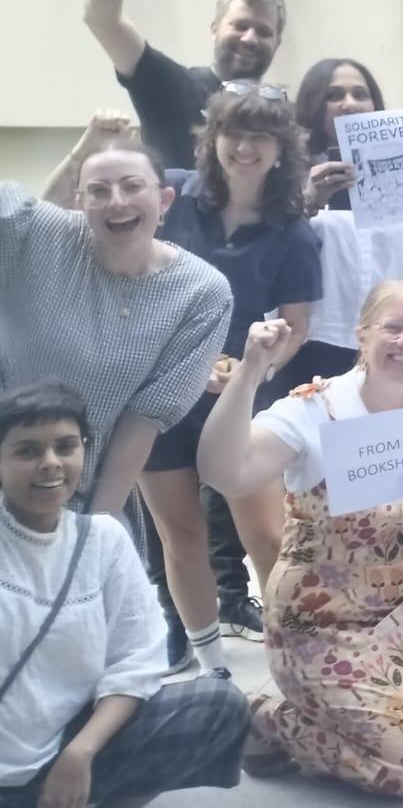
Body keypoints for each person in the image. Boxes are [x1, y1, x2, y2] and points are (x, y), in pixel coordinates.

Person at [199, 284, 403, 797]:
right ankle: (272, 722)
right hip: (326, 615)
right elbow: (226, 471)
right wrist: (248, 371)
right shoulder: (315, 409)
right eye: (393, 327)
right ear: (362, 334)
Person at [0, 382, 248, 808]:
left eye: (65, 446)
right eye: (26, 451)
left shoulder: (102, 538)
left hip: (73, 741)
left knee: (219, 705)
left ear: (84, 450)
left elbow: (137, 659)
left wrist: (82, 751)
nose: (50, 464)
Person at [145, 82, 321, 679]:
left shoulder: (292, 232)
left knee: (269, 537)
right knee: (181, 533)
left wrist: (253, 368)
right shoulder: (172, 198)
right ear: (212, 139)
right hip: (160, 393)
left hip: (241, 396)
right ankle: (209, 665)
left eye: (260, 137)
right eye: (233, 133)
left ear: (280, 149)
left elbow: (295, 326)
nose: (244, 148)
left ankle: (295, 662)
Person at [0, 141, 231, 535]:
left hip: (79, 493)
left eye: (132, 186)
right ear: (80, 201)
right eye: (99, 191)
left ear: (164, 200)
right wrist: (78, 151)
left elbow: (142, 421)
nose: (116, 201)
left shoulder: (202, 293)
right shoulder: (42, 237)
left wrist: (97, 528)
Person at [284, 58, 403, 390]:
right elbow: (274, 256)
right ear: (314, 103)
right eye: (335, 94)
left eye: (360, 93)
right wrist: (308, 200)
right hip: (315, 340)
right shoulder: (287, 173)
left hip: (393, 346)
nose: (350, 103)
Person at [82, 0, 285, 170]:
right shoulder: (170, 85)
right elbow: (101, 19)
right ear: (214, 27)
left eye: (264, 31)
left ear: (278, 42)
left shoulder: (280, 115)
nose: (250, 38)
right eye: (240, 25)